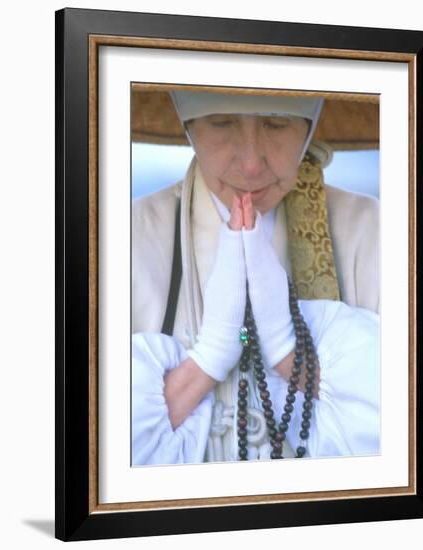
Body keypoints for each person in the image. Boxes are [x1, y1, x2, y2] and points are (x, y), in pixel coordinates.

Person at [131, 90, 380, 465]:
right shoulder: (121, 236)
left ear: (309, 127)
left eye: (277, 124)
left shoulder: (377, 232)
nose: (250, 164)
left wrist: (284, 347)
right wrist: (211, 353)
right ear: (189, 126)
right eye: (220, 122)